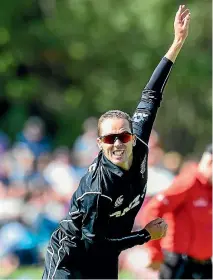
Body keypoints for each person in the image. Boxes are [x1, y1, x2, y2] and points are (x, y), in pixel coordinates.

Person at [42, 5, 191, 279]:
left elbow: (151, 94)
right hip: (72, 258)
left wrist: (177, 43)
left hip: (105, 255)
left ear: (132, 136)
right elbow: (94, 245)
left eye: (123, 136)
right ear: (99, 143)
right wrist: (145, 235)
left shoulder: (140, 141)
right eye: (110, 138)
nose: (118, 143)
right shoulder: (97, 190)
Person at [140, 144, 212, 279]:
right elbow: (152, 210)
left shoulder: (209, 186)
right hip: (179, 264)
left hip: (205, 265)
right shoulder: (189, 182)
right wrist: (154, 251)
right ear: (210, 162)